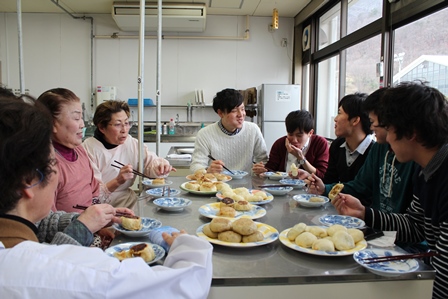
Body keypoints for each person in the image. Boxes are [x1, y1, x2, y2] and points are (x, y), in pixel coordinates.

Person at [0, 98, 213, 299]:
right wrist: (187, 247)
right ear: (29, 181)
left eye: (127, 123)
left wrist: (84, 220)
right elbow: (183, 286)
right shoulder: (64, 271)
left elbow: (45, 222)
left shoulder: (125, 144)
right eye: (52, 164)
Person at [331, 81, 448, 299]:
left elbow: (444, 278)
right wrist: (365, 213)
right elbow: (415, 226)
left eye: (388, 127)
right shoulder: (425, 171)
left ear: (411, 132)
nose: (382, 137)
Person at [0, 88, 134, 247]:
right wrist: (83, 227)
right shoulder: (18, 247)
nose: (82, 124)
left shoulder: (80, 151)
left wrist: (94, 222)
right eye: (76, 118)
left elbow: (45, 223)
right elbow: (49, 253)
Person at [305, 88, 416, 213]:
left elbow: (413, 222)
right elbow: (360, 185)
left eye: (374, 121)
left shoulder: (414, 159)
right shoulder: (378, 148)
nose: (372, 126)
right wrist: (324, 189)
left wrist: (365, 214)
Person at [83, 100, 174, 208]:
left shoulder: (131, 143)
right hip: (99, 208)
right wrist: (117, 181)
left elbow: (150, 164)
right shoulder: (88, 149)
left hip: (128, 202)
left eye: (126, 123)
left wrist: (160, 167)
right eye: (117, 125)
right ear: (102, 127)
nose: (124, 130)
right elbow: (92, 195)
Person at [190, 88, 268, 174]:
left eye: (242, 109)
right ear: (220, 113)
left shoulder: (253, 130)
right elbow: (195, 166)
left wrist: (261, 168)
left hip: (247, 184)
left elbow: (263, 160)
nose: (241, 114)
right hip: (218, 184)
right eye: (234, 111)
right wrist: (207, 171)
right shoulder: (205, 134)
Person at [253, 110, 329, 178]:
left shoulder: (320, 143)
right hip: (281, 188)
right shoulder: (280, 144)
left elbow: (322, 175)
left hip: (308, 190)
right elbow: (271, 169)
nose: (294, 140)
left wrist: (301, 158)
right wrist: (262, 170)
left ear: (310, 133)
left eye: (299, 135)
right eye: (290, 134)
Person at [323, 93, 375, 184]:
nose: (335, 119)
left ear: (355, 120)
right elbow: (329, 181)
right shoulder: (337, 145)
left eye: (339, 113)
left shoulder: (374, 151)